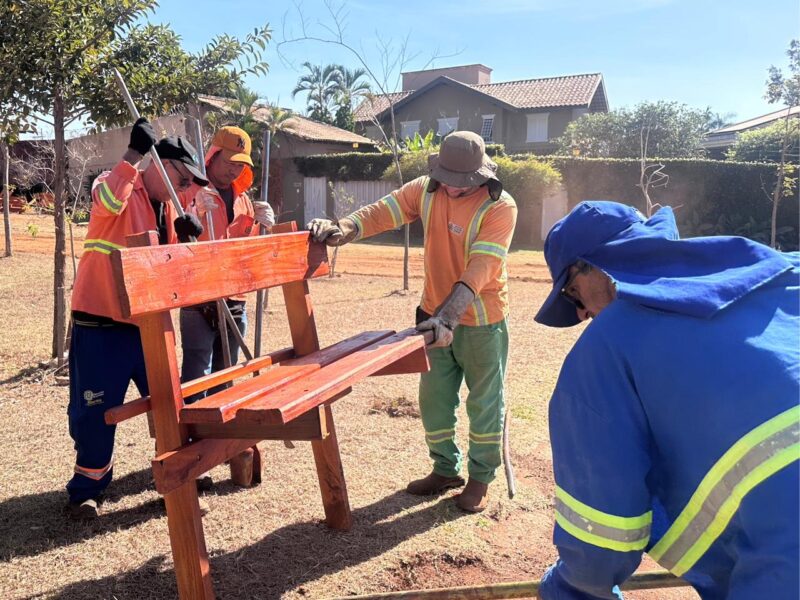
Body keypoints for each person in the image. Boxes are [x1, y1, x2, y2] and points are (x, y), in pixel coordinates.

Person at [534, 201, 799, 599]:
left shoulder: (608, 345)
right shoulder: (782, 270)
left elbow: (599, 542)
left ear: (596, 266)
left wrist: (566, 586)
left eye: (573, 293)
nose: (584, 312)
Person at [308, 131, 517, 513]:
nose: (454, 188)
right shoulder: (425, 189)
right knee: (434, 399)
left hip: (481, 323)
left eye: (464, 182)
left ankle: (480, 479)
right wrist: (346, 228)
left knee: (484, 403)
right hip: (432, 318)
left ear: (481, 175)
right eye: (449, 179)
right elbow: (383, 211)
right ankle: (445, 469)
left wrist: (449, 317)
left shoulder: (500, 206)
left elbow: (482, 266)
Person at [67, 118, 206, 519]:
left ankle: (178, 472)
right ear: (160, 165)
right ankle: (87, 489)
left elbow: (174, 276)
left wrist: (185, 239)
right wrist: (132, 155)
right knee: (95, 409)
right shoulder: (115, 184)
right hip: (101, 322)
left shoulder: (167, 211)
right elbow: (105, 204)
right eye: (182, 181)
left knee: (170, 403)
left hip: (149, 323)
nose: (186, 190)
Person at [180, 126, 274, 402]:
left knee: (226, 379)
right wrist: (192, 212)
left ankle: (223, 443)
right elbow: (176, 237)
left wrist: (262, 223)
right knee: (196, 380)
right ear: (213, 155)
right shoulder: (191, 192)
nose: (234, 169)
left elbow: (248, 250)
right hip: (199, 299)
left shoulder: (244, 201)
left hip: (235, 299)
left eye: (241, 164)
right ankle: (194, 441)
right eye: (230, 161)